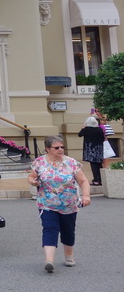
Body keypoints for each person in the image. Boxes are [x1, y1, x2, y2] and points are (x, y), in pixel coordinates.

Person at [27, 135, 91, 273]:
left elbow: (83, 181)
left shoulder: (71, 163)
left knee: (68, 230)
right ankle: (49, 260)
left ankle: (69, 255)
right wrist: (33, 181)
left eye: (62, 147)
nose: (60, 149)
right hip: (47, 203)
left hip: (69, 204)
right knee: (49, 228)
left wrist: (86, 195)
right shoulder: (39, 162)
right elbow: (31, 176)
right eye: (56, 148)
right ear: (47, 149)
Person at [78, 116, 105, 186]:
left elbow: (80, 134)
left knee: (93, 165)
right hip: (99, 149)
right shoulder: (99, 129)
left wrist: (83, 127)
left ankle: (96, 180)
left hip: (90, 149)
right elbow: (103, 138)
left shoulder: (87, 129)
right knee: (99, 164)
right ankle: (101, 180)